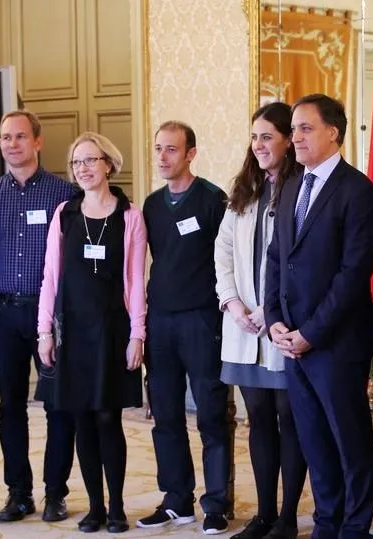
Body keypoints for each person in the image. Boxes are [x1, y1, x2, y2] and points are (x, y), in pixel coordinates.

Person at [264, 93, 373, 539]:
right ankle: (326, 522)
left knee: (349, 441)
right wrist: (275, 317)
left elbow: (353, 275)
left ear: (333, 132)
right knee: (314, 442)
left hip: (333, 343)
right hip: (292, 342)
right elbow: (277, 258)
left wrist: (310, 332)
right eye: (293, 129)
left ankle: (355, 527)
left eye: (305, 128)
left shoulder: (359, 191)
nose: (295, 137)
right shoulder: (293, 184)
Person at [37, 132, 146, 534]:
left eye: (90, 160)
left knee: (107, 418)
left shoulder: (129, 215)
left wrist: (138, 334)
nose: (83, 168)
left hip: (111, 329)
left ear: (108, 164)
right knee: (82, 419)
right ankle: (95, 507)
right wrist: (43, 331)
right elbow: (51, 276)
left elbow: (135, 280)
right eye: (76, 162)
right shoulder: (65, 213)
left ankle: (116, 506)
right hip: (71, 330)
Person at [0, 110, 78, 523]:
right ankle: (18, 494)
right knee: (10, 407)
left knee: (58, 405)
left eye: (20, 137)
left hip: (52, 316)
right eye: (5, 137)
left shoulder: (65, 193)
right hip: (5, 313)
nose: (12, 144)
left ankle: (56, 493)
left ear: (37, 142)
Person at [215, 102, 307, 539]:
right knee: (257, 419)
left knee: (289, 419)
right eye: (254, 137)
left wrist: (268, 311)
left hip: (281, 327)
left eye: (267, 136)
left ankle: (288, 517)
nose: (259, 145)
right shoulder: (244, 191)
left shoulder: (300, 188)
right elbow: (224, 253)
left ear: (288, 140)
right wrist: (233, 304)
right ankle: (265, 514)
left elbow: (298, 263)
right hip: (242, 328)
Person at [138, 121, 231, 534]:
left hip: (201, 319)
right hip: (161, 321)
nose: (162, 157)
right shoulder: (152, 205)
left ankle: (216, 503)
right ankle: (177, 499)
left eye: (171, 150)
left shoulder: (213, 200)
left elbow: (226, 260)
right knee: (166, 416)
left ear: (191, 153)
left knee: (211, 414)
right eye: (159, 149)